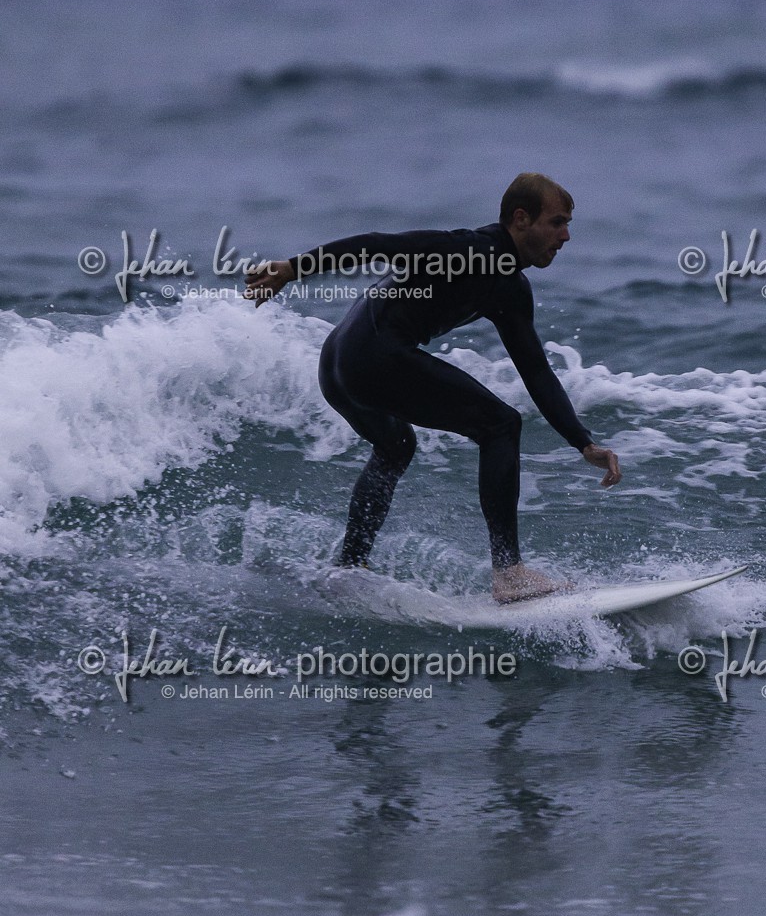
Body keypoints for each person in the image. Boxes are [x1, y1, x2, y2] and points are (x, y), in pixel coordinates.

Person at [244, 174, 621, 602]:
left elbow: (535, 370)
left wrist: (582, 442)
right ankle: (509, 572)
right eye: (557, 223)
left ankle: (349, 566)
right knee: (500, 425)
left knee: (396, 446)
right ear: (521, 219)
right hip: (371, 355)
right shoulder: (469, 250)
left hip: (338, 362)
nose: (565, 236)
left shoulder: (510, 288)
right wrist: (293, 268)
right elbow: (378, 244)